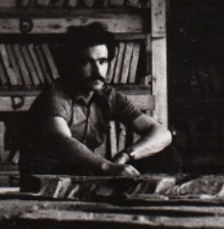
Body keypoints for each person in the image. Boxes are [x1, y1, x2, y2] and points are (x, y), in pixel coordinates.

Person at [18, 23, 172, 185]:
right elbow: (61, 141)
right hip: (48, 174)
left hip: (86, 168)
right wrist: (107, 166)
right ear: (69, 66)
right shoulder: (54, 97)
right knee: (81, 171)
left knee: (167, 154)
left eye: (102, 62)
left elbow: (162, 133)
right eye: (86, 62)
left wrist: (127, 155)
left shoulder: (108, 95)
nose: (97, 72)